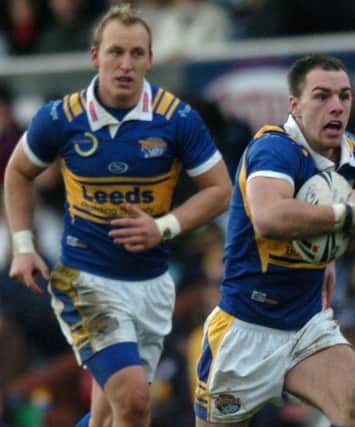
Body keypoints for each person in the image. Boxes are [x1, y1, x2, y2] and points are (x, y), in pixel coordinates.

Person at [3, 3, 232, 427]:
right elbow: (17, 171)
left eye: (136, 54)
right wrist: (22, 245)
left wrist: (162, 227)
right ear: (95, 56)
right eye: (115, 52)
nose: (125, 64)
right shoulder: (60, 118)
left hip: (150, 285)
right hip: (85, 281)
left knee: (112, 417)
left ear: (150, 58)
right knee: (134, 401)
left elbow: (221, 190)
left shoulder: (176, 118)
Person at [193, 54, 355, 427]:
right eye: (322, 96)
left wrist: (328, 258)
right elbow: (268, 217)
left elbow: (329, 204)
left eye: (345, 96)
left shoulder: (351, 153)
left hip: (306, 325)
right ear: (294, 105)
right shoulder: (274, 149)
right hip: (245, 331)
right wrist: (343, 217)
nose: (336, 106)